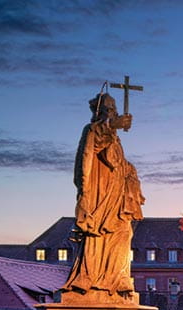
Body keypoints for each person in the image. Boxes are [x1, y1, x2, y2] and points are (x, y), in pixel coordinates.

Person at [63, 93, 144, 297]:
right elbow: (92, 148)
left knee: (124, 232)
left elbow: (117, 163)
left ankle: (117, 278)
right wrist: (111, 125)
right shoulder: (92, 130)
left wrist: (130, 170)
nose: (113, 113)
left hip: (117, 196)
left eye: (114, 110)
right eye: (109, 110)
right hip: (100, 192)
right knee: (97, 233)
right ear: (100, 112)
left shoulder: (116, 141)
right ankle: (90, 278)